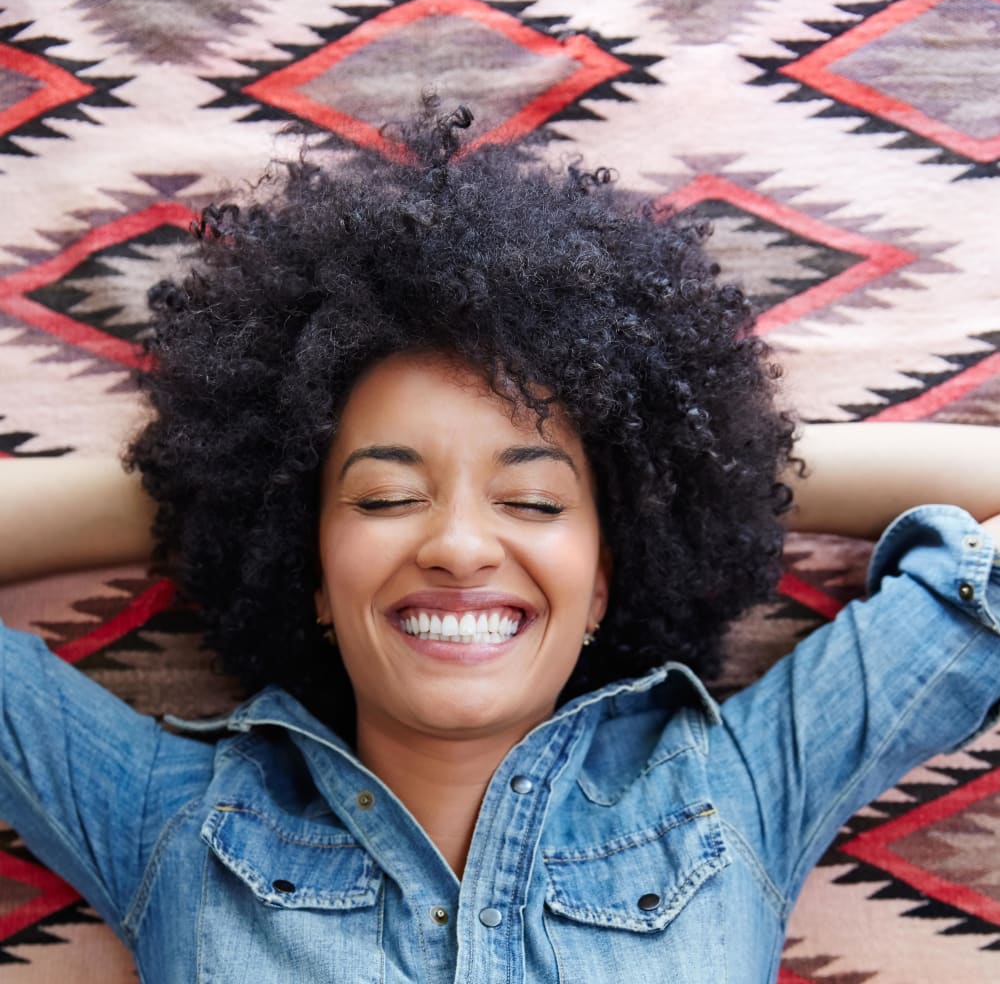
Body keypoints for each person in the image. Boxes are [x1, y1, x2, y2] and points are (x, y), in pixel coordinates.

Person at [0, 102, 998, 983]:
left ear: (607, 573)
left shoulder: (733, 793)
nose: (460, 546)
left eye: (531, 502)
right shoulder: (176, 824)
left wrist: (713, 471)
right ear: (306, 567)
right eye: (386, 497)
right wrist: (195, 490)